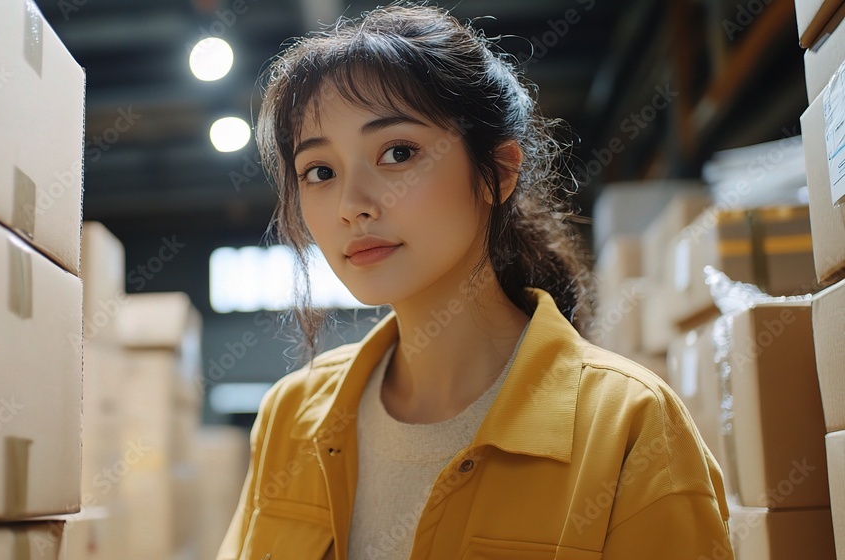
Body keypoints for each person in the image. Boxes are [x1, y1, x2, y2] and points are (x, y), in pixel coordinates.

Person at [217, 3, 733, 559]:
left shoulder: (627, 427)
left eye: (397, 153)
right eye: (320, 171)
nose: (352, 206)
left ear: (499, 172)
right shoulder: (291, 419)